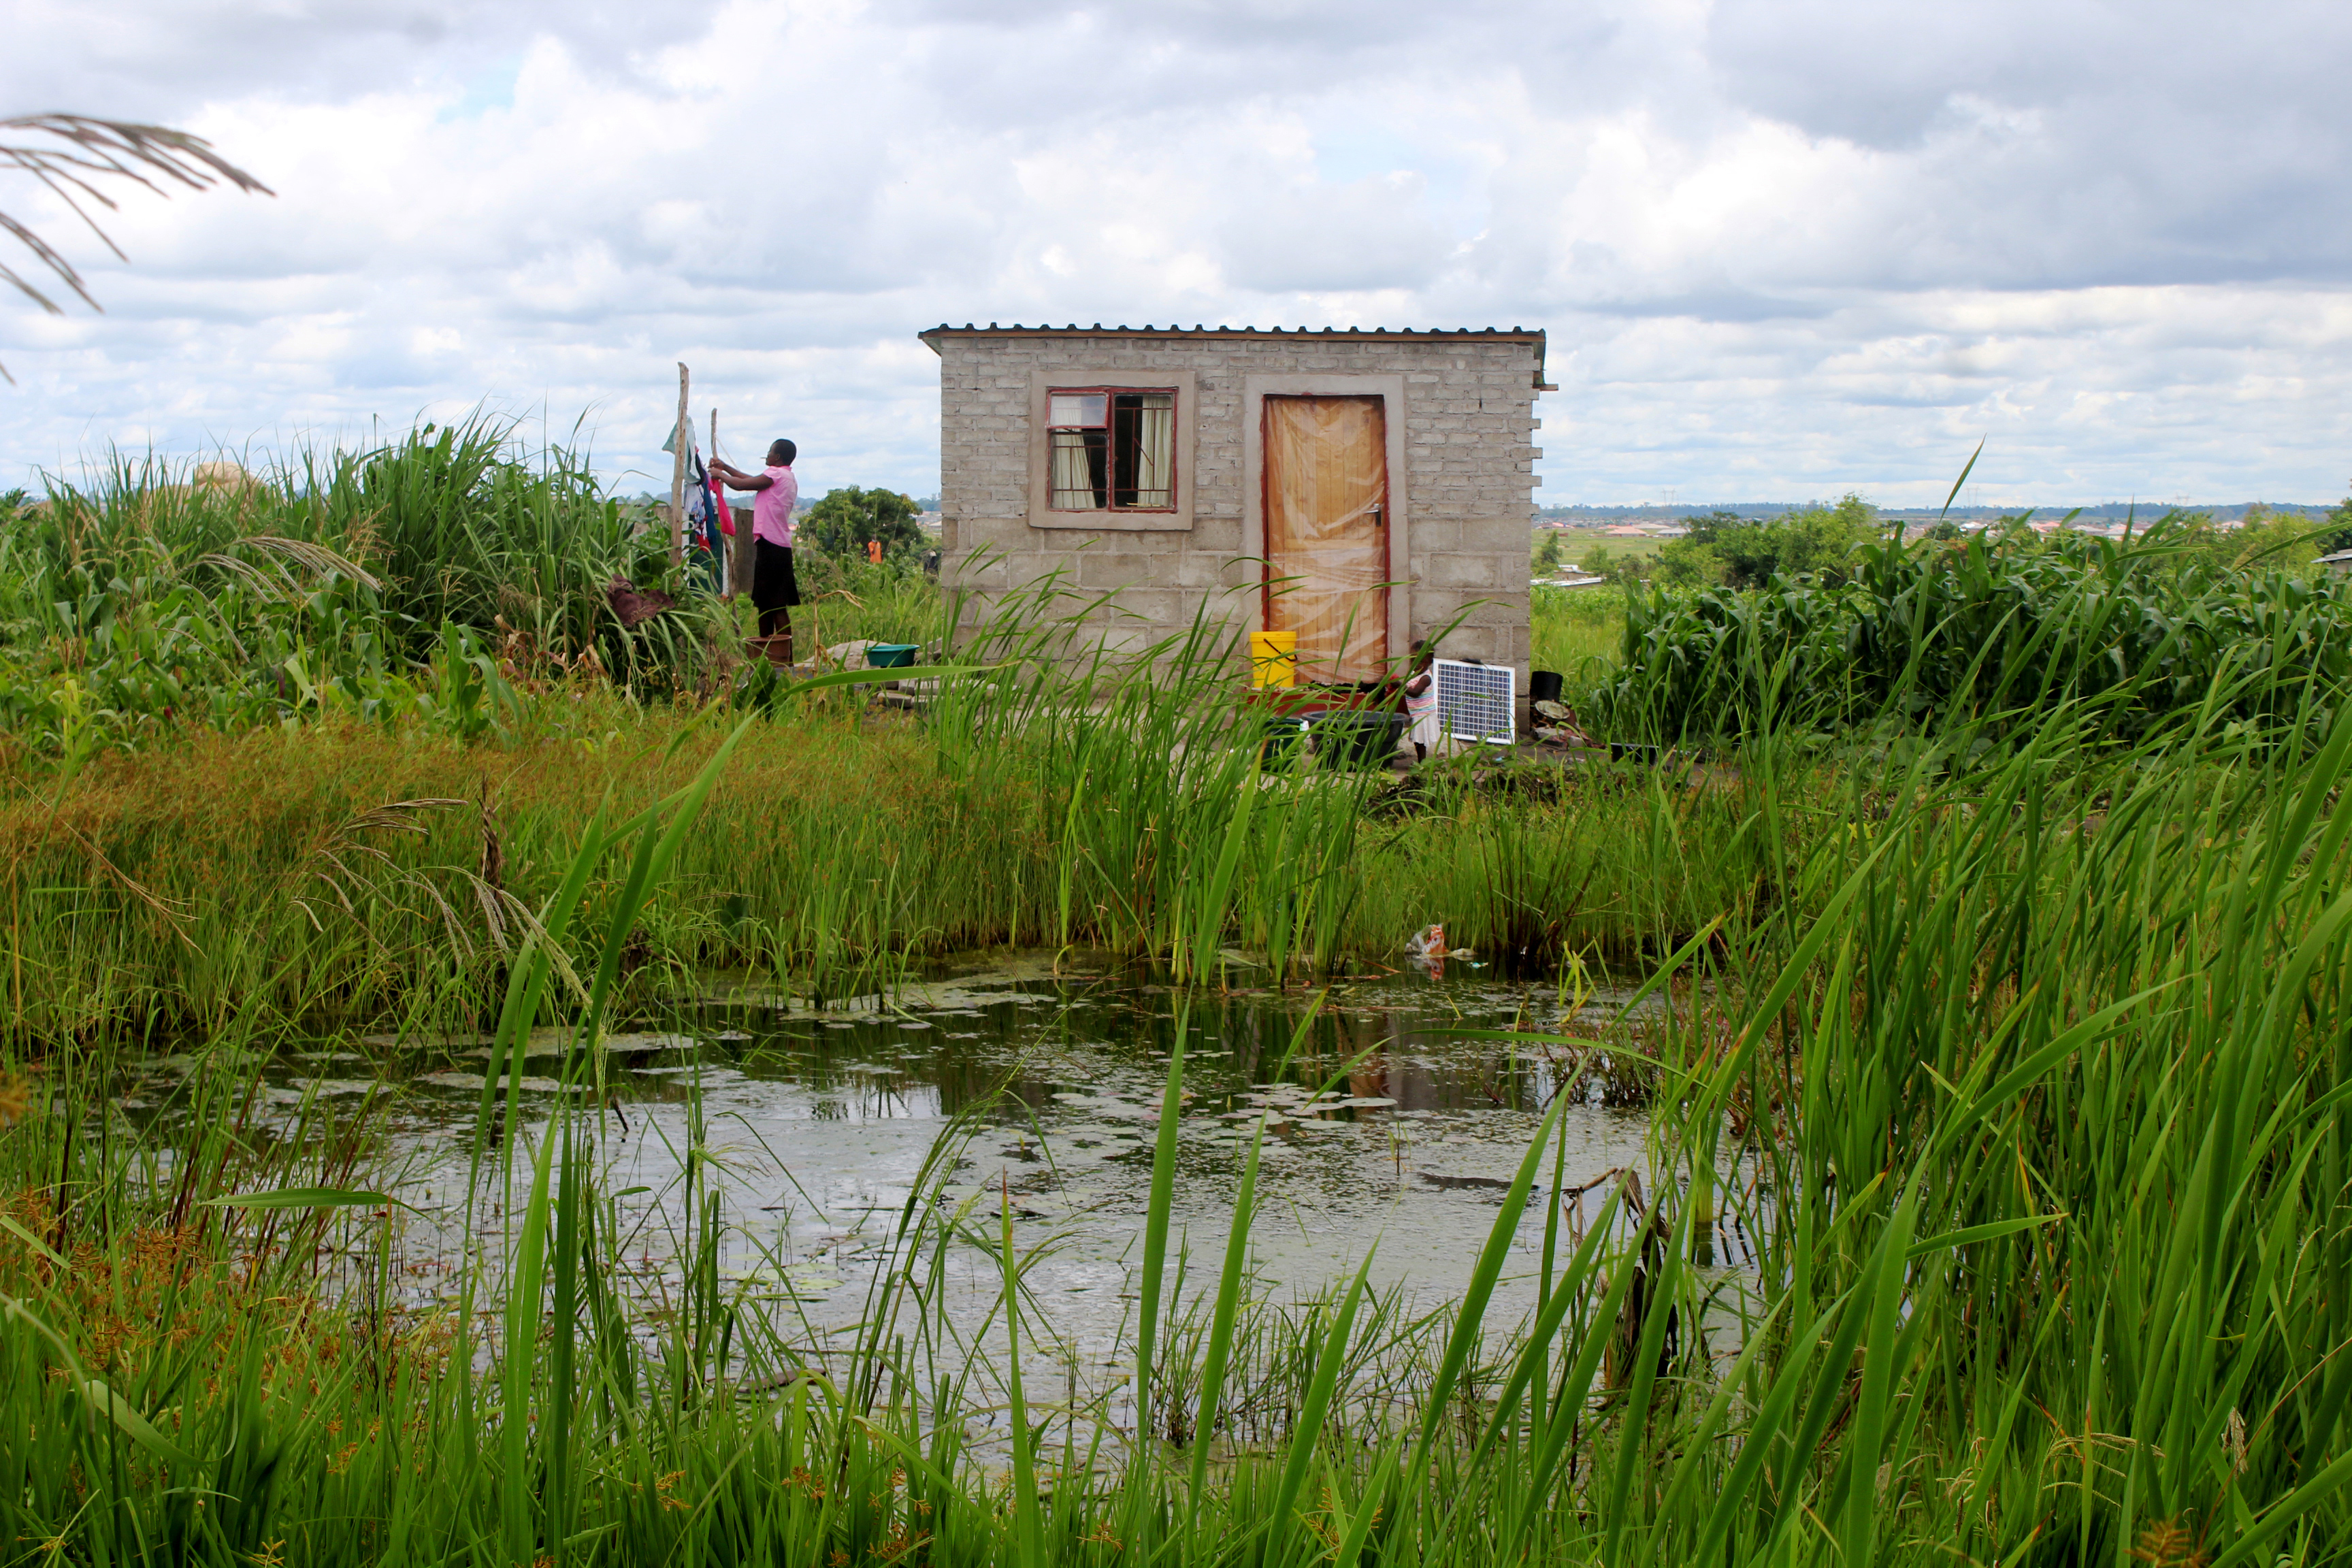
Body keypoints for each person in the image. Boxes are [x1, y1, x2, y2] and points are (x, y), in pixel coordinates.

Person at [710, 439, 800, 662]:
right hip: (775, 546)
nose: (767, 455)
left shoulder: (777, 475)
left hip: (773, 546)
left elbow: (742, 485)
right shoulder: (785, 477)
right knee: (766, 603)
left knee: (775, 605)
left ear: (777, 458)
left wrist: (720, 475)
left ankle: (784, 659)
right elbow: (749, 479)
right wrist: (725, 468)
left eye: (770, 452)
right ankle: (770, 657)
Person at [1403, 640, 1439, 762]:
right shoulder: (1414, 674)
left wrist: (1400, 686)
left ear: (1430, 662)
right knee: (1418, 741)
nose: (1417, 664)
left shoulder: (1425, 678)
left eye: (1422, 661)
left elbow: (1415, 693)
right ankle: (1421, 762)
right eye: (1413, 661)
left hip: (1423, 714)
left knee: (1420, 741)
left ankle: (1422, 763)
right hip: (1417, 712)